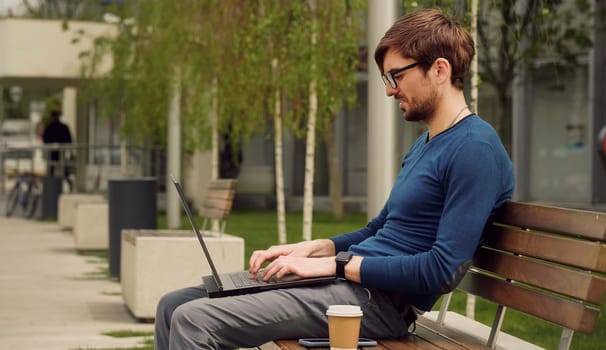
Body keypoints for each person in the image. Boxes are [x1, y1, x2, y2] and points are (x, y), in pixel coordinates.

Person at [154, 8, 515, 349]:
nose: (390, 90)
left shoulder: (475, 149)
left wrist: (336, 264)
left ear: (439, 70)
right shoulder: (427, 143)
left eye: (397, 76)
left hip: (376, 304)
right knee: (172, 306)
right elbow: (380, 228)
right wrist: (317, 247)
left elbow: (441, 270)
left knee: (194, 320)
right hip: (346, 285)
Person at [42, 108, 73, 191]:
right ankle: (65, 184)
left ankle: (51, 186)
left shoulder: (50, 127)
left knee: (52, 169)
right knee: (61, 168)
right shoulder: (62, 127)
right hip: (60, 151)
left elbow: (45, 139)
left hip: (53, 151)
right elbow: (69, 139)